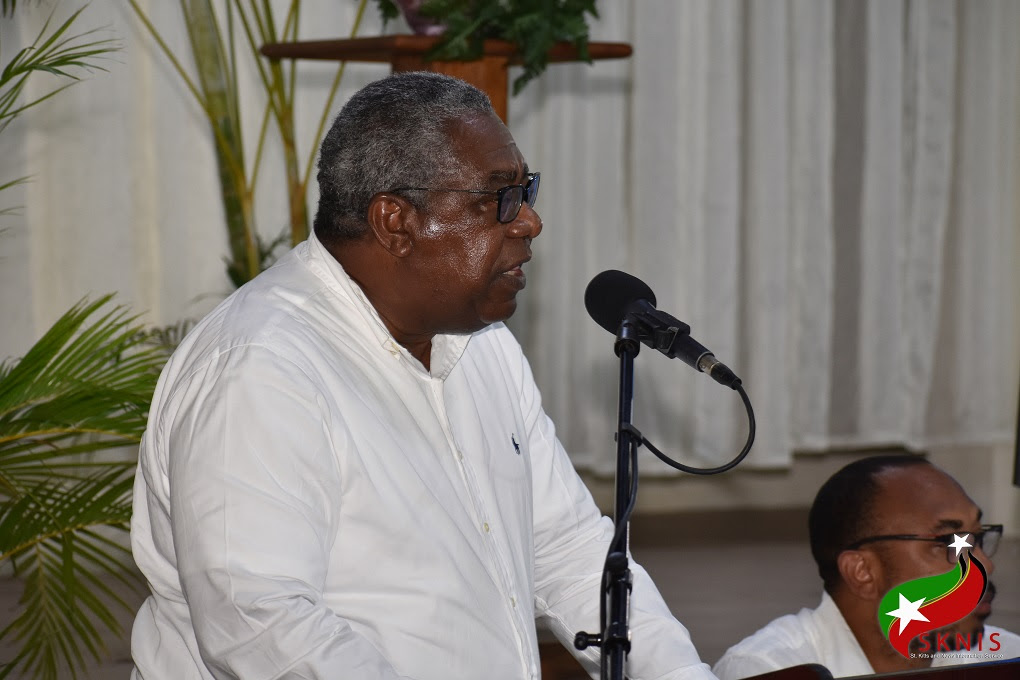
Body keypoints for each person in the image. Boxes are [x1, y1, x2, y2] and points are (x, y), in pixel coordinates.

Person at [129, 71, 716, 680]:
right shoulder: (262, 367)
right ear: (395, 222)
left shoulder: (483, 344)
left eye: (527, 190)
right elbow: (261, 624)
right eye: (499, 198)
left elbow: (566, 549)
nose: (530, 222)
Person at [713, 455, 1020, 679]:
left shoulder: (1003, 657)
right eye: (950, 542)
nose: (985, 565)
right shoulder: (769, 670)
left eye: (978, 538)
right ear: (862, 572)